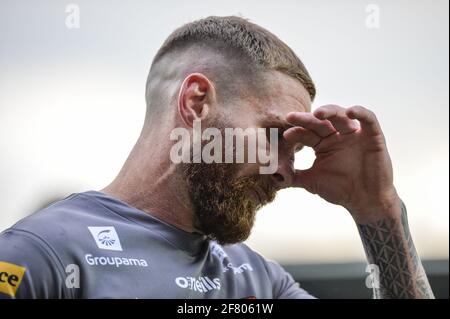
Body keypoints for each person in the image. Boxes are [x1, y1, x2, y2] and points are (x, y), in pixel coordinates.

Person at [0, 16, 434, 299]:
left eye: (295, 149)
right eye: (275, 135)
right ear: (196, 102)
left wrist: (379, 209)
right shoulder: (40, 255)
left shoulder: (257, 282)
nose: (285, 171)